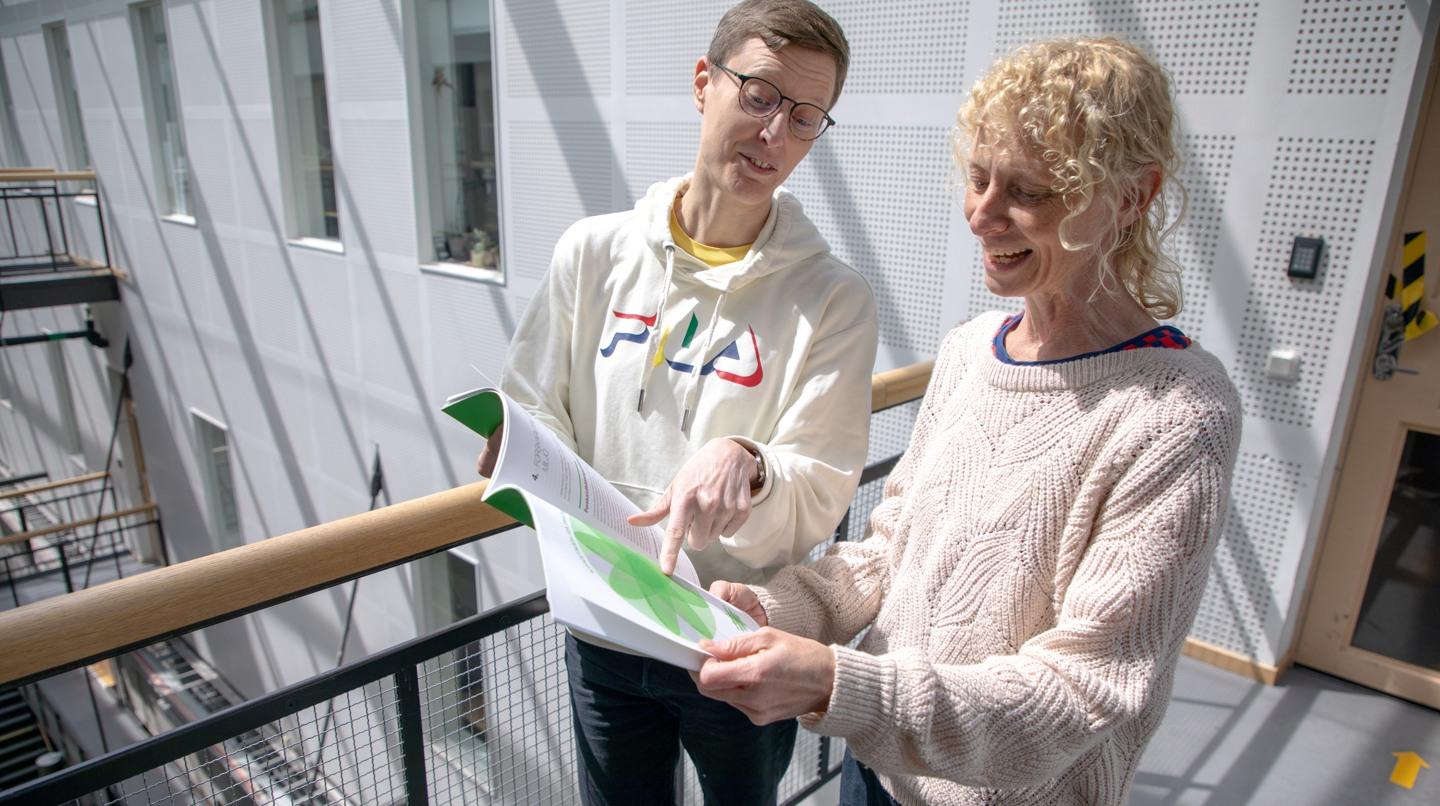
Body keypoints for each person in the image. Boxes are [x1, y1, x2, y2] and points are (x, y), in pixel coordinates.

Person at [694, 37, 1243, 805]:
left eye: (1030, 191)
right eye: (979, 177)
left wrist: (837, 685)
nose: (982, 215)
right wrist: (779, 606)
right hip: (877, 768)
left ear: (1131, 196)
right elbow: (893, 554)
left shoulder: (1177, 414)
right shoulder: (967, 353)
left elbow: (1085, 690)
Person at [477, 1, 876, 803]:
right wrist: (516, 447)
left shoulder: (833, 297)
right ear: (705, 83)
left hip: (734, 639)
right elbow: (535, 400)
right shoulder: (593, 253)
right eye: (759, 96)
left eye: (804, 119)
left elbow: (823, 478)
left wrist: (752, 463)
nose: (774, 137)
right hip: (603, 623)